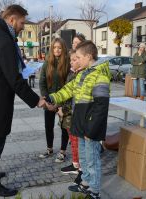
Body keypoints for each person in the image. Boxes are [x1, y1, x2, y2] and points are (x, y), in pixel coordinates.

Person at [0, 4, 46, 197]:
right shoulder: (4, 41)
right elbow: (14, 79)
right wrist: (36, 100)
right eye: (21, 23)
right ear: (12, 19)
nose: (22, 27)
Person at [45, 41, 110, 199]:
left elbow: (101, 106)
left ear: (89, 56)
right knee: (83, 157)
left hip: (91, 127)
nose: (77, 60)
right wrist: (51, 97)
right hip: (80, 123)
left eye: (79, 57)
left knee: (92, 159)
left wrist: (92, 129)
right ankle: (85, 183)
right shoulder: (83, 73)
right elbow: (69, 89)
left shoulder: (100, 75)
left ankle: (94, 191)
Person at [39, 38, 69, 163]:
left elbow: (69, 83)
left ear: (63, 49)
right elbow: (42, 82)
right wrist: (46, 99)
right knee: (48, 126)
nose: (57, 50)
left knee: (64, 126)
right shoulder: (47, 62)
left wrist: (60, 103)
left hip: (63, 101)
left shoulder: (67, 62)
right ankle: (49, 148)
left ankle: (62, 151)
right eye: (55, 47)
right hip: (50, 100)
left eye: (59, 47)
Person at [60, 33, 85, 180]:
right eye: (73, 43)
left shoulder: (82, 72)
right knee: (73, 139)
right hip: (68, 109)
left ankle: (81, 169)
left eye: (78, 43)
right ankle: (76, 164)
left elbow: (76, 95)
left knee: (78, 141)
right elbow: (67, 89)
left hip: (74, 111)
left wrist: (65, 108)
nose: (75, 45)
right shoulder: (72, 70)